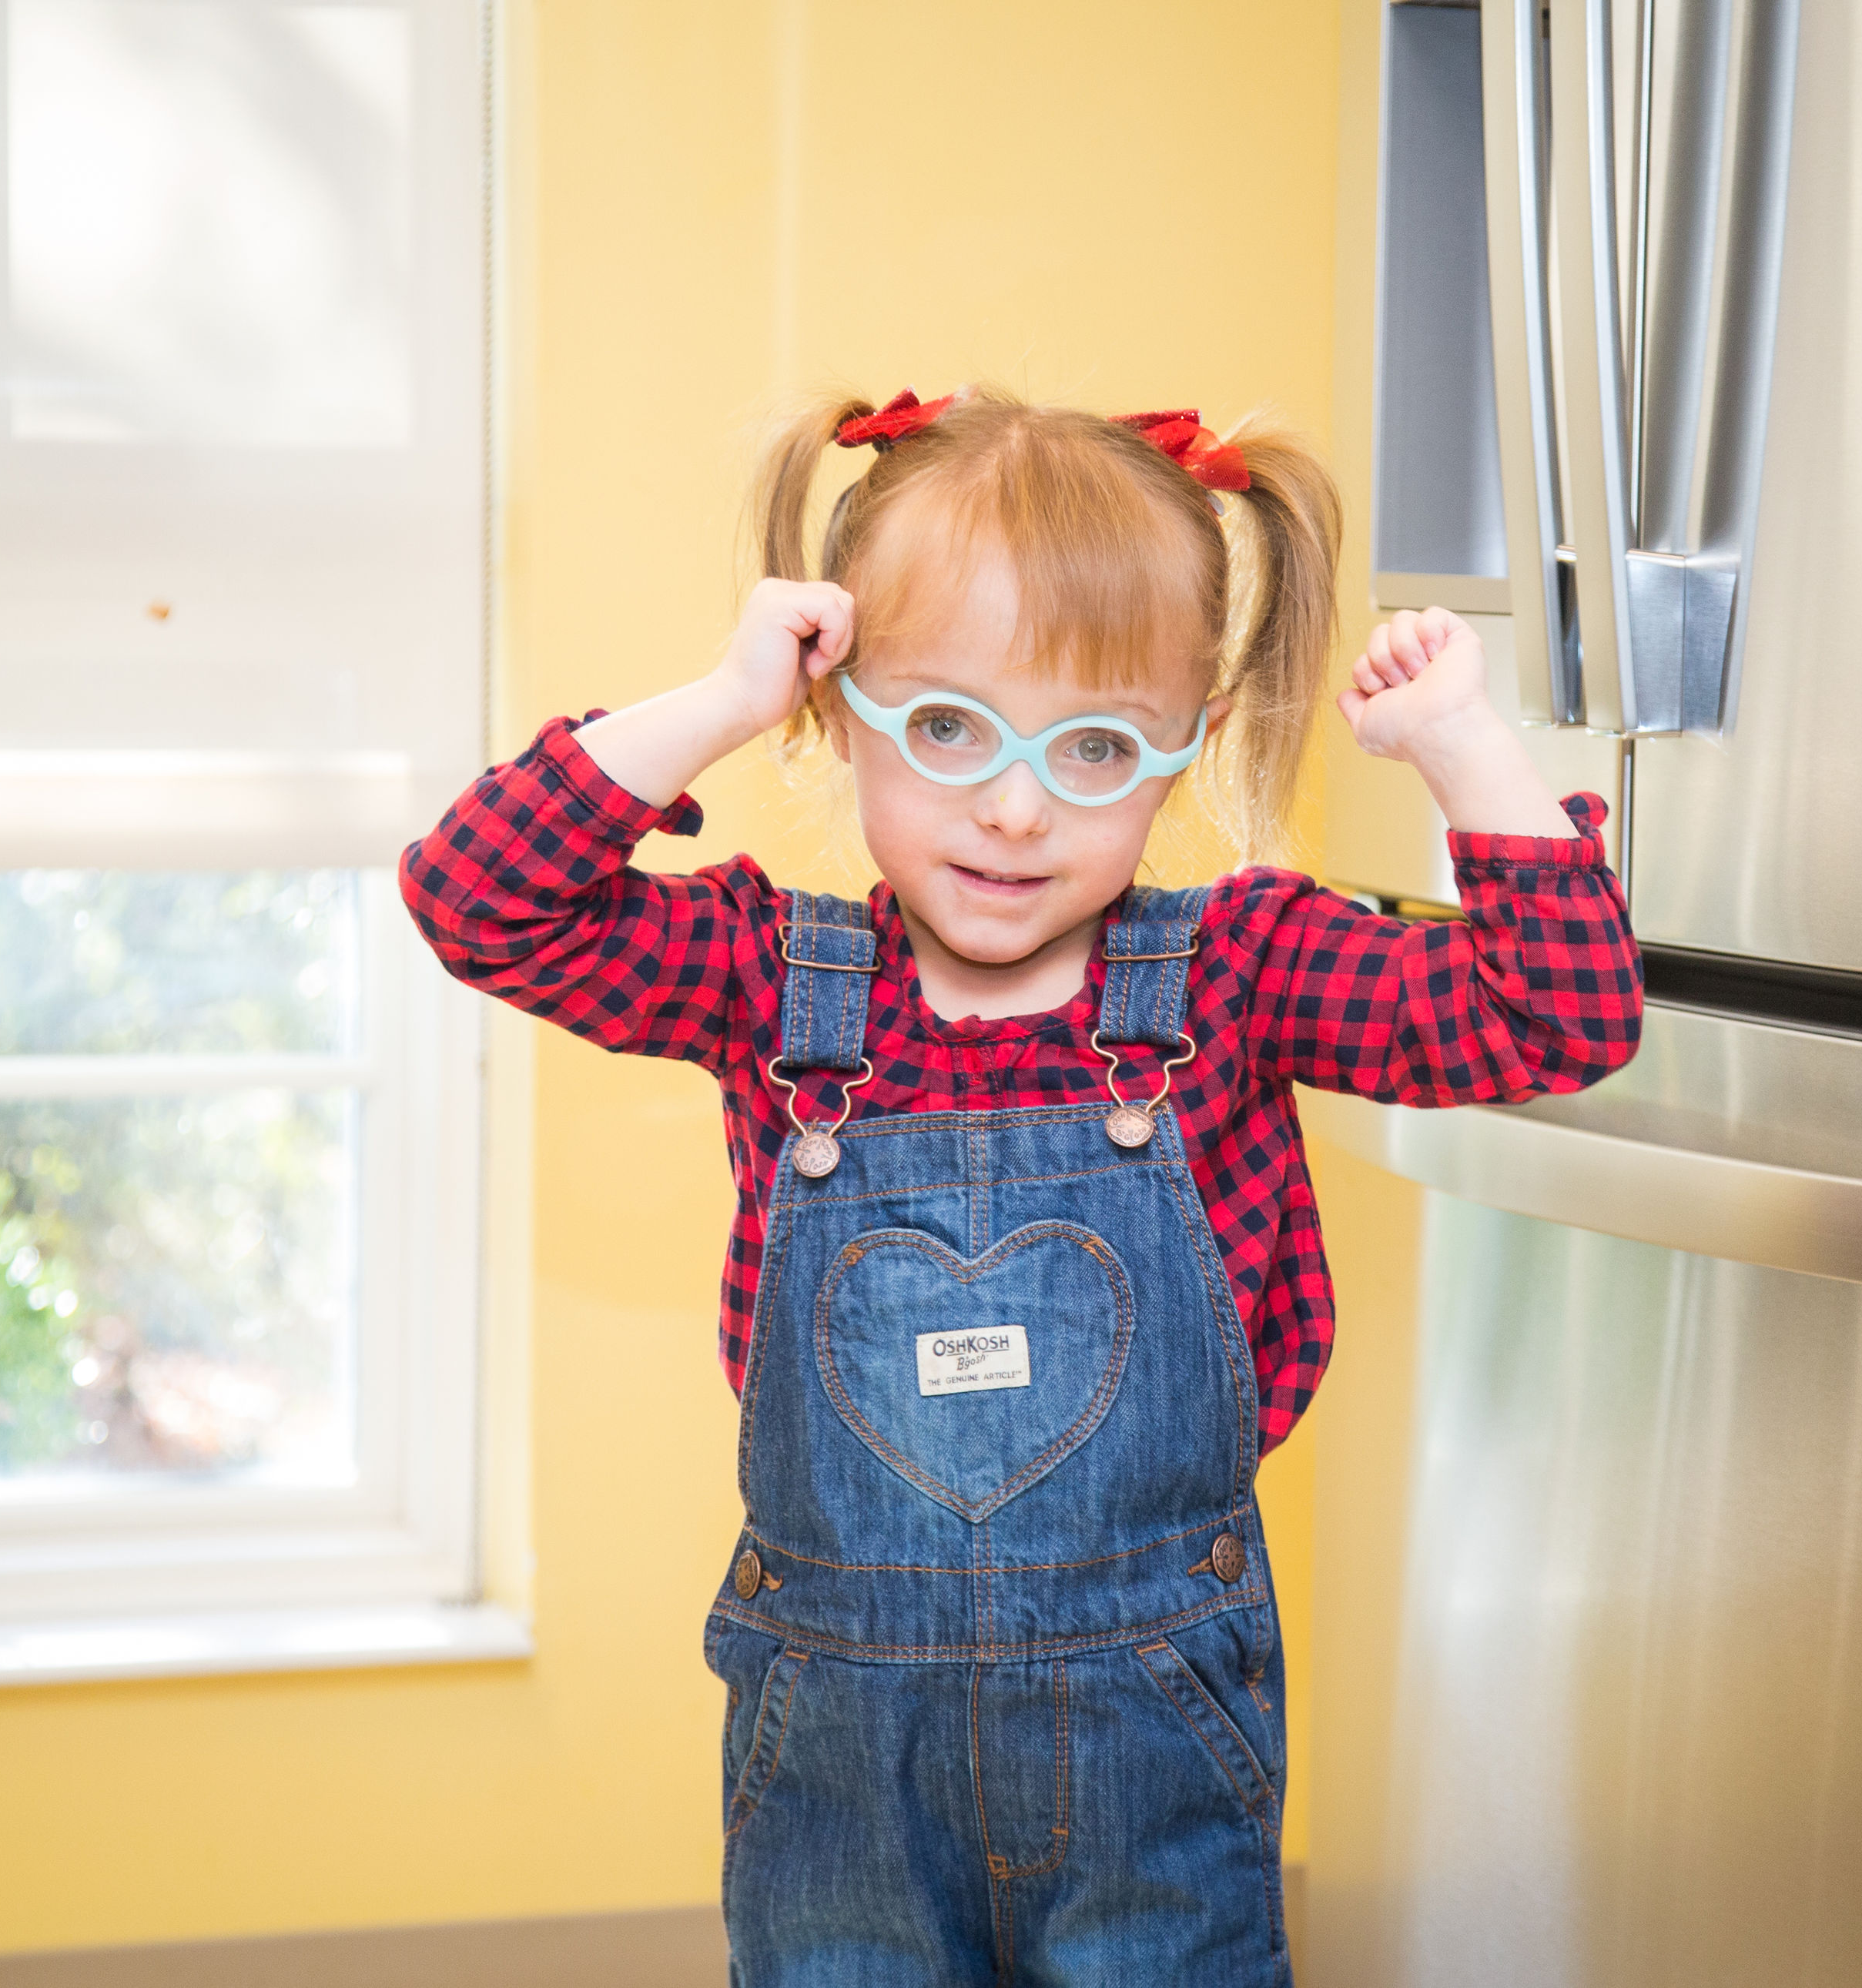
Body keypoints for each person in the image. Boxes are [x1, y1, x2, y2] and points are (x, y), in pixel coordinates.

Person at [402, 386, 1641, 1983]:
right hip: (842, 1756)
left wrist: (1468, 747)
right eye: (946, 728)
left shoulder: (1240, 972)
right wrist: (716, 701)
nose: (1013, 806)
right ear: (839, 701)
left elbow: (1561, 1014)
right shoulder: (769, 983)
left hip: (1153, 1742)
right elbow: (476, 900)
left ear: (1186, 741)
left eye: (1097, 749)